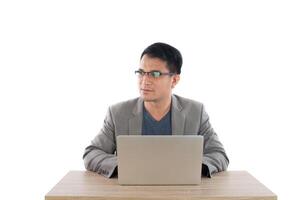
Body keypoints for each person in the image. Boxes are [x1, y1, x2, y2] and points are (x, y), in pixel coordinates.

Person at [83, 42, 229, 178]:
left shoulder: (196, 112)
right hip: (132, 192)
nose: (144, 81)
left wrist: (188, 168)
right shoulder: (118, 113)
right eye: (141, 72)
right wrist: (127, 166)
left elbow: (219, 155)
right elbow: (92, 153)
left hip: (181, 192)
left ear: (175, 80)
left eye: (155, 74)